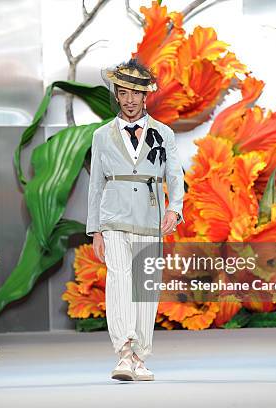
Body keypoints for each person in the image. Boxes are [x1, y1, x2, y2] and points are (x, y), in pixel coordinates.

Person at [86, 60, 184, 382]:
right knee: (118, 281)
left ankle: (141, 356)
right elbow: (96, 184)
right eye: (123, 92)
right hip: (113, 217)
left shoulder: (163, 133)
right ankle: (124, 353)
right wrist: (95, 229)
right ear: (116, 94)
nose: (129, 99)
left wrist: (175, 209)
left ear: (145, 96)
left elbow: (174, 175)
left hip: (149, 216)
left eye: (135, 93)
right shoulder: (101, 135)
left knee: (145, 288)